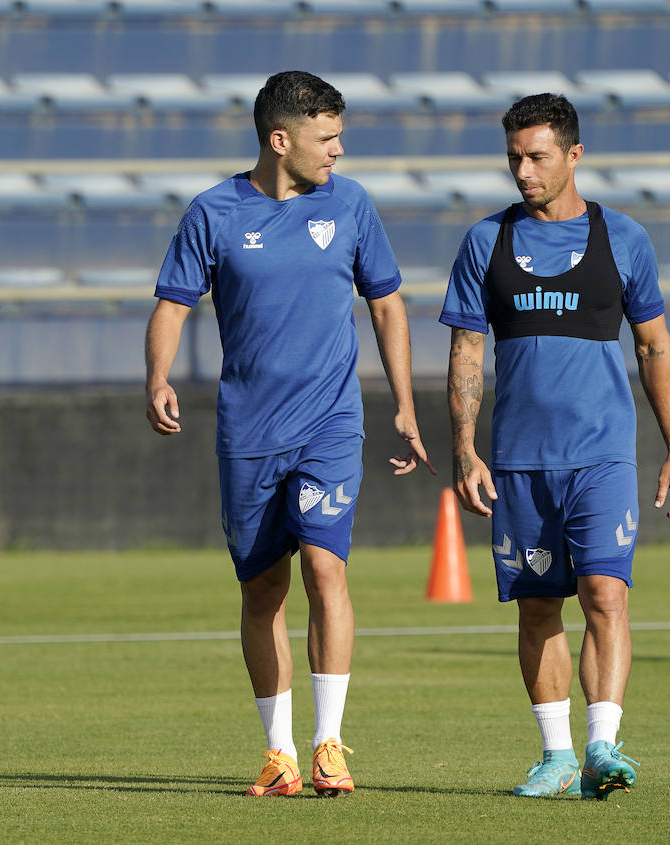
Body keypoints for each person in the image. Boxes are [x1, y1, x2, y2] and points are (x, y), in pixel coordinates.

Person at [145, 70, 433, 798]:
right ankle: (280, 755)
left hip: (331, 424)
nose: (339, 149)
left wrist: (403, 402)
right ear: (281, 139)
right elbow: (172, 306)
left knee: (325, 569)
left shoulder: (352, 204)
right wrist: (157, 376)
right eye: (327, 136)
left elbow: (388, 306)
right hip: (247, 431)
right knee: (262, 590)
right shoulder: (213, 212)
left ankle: (330, 742)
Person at [440, 93, 670, 800]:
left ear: (574, 156)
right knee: (538, 606)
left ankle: (603, 745)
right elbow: (465, 351)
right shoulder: (484, 242)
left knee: (605, 593)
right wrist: (464, 446)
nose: (523, 170)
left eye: (538, 156)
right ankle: (555, 756)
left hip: (603, 454)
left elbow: (655, 347)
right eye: (515, 156)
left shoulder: (625, 239)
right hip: (520, 460)